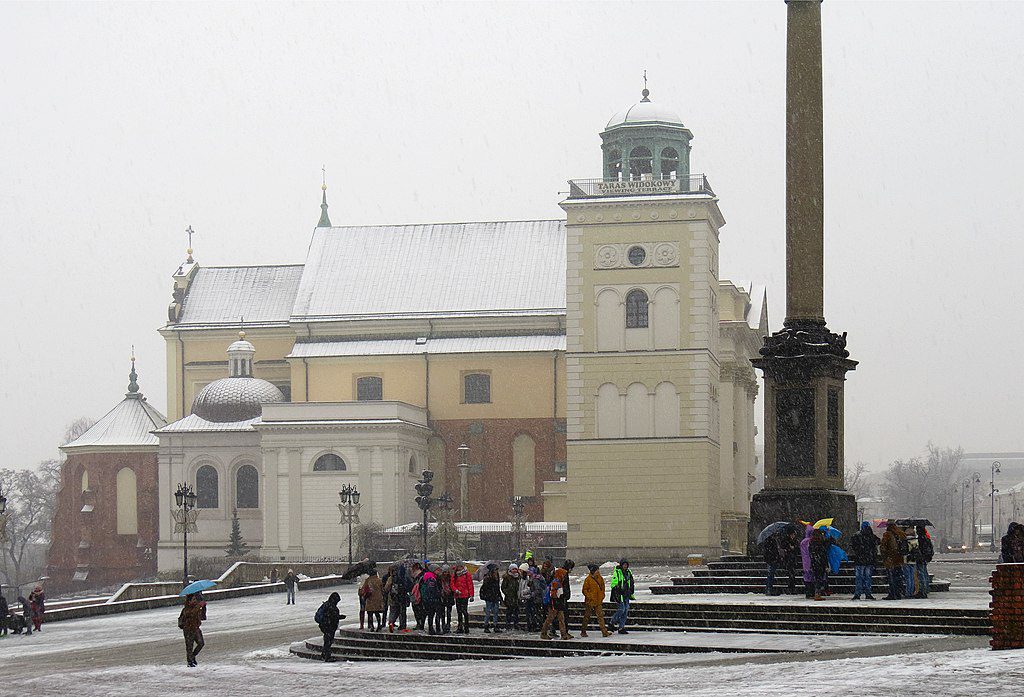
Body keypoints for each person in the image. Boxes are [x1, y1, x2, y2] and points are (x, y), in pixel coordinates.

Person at [540, 563, 573, 640]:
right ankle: (543, 633)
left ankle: (563, 634)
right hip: (555, 604)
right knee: (551, 619)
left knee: (561, 619)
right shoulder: (556, 582)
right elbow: (555, 594)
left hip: (557, 603)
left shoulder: (558, 581)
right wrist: (562, 595)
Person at [850, 521, 880, 600]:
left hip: (859, 560)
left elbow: (853, 546)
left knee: (859, 577)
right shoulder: (871, 536)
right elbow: (878, 542)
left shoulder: (856, 536)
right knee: (868, 577)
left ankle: (857, 593)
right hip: (869, 560)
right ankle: (868, 593)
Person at [580, 563, 611, 638]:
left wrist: (602, 595)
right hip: (590, 601)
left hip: (598, 600)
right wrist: (590, 596)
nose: (598, 571)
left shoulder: (600, 578)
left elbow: (602, 587)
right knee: (587, 617)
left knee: (600, 617)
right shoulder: (588, 579)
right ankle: (583, 631)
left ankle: (604, 632)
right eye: (597, 570)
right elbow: (584, 590)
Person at [880, 520, 908, 600]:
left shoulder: (887, 534)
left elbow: (883, 547)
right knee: (898, 577)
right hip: (899, 559)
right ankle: (899, 593)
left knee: (891, 578)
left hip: (891, 560)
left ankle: (893, 594)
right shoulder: (901, 534)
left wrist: (884, 557)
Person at [178, 592, 207, 667]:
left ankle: (192, 656)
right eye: (193, 599)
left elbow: (203, 617)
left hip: (196, 628)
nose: (195, 601)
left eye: (195, 599)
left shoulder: (196, 607)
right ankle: (190, 662)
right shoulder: (186, 609)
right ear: (189, 601)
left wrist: (204, 607)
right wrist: (199, 606)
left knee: (201, 643)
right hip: (188, 629)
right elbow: (191, 614)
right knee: (189, 646)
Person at [314, 592, 343, 662]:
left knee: (327, 641)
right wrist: (339, 617)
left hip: (326, 626)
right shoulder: (331, 606)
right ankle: (327, 656)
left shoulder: (326, 605)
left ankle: (324, 654)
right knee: (328, 641)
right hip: (329, 626)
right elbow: (332, 617)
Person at [610, 558, 635, 634]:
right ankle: (611, 622)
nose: (625, 566)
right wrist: (618, 589)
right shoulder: (618, 572)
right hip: (620, 594)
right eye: (624, 564)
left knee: (626, 610)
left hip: (626, 594)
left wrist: (631, 589)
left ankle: (621, 627)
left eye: (626, 565)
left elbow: (631, 581)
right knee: (622, 609)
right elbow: (614, 583)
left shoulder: (628, 572)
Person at [909, 524, 934, 599]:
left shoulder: (920, 539)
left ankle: (922, 591)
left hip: (920, 558)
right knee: (924, 574)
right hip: (925, 558)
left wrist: (915, 550)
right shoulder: (926, 538)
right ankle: (925, 589)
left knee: (921, 575)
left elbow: (920, 549)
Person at [385, 563, 410, 633]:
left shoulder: (392, 577)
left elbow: (387, 587)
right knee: (402, 612)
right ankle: (402, 625)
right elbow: (409, 586)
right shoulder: (405, 577)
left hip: (394, 596)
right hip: (403, 596)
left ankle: (391, 622)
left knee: (393, 611)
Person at [452, 562, 474, 633]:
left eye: (460, 567)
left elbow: (470, 585)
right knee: (459, 612)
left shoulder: (467, 575)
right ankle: (460, 627)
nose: (459, 568)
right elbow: (452, 584)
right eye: (458, 567)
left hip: (464, 595)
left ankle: (466, 627)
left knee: (464, 611)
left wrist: (471, 595)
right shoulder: (455, 575)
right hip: (458, 595)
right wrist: (455, 590)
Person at [480, 564, 503, 634]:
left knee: (495, 612)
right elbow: (485, 588)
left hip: (495, 597)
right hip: (490, 597)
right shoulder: (488, 577)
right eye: (495, 569)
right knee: (488, 612)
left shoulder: (496, 577)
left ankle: (495, 625)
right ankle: (486, 625)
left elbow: (497, 588)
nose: (496, 571)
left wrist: (500, 596)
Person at [763, 529, 783, 596]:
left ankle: (769, 588)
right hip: (772, 560)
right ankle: (769, 589)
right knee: (770, 575)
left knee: (771, 575)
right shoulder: (770, 541)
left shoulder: (771, 541)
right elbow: (770, 551)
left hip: (772, 559)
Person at [501, 564, 521, 631]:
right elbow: (503, 587)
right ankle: (508, 624)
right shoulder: (507, 578)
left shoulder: (518, 577)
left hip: (516, 598)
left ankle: (516, 624)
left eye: (515, 569)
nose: (514, 570)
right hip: (509, 598)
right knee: (509, 612)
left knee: (516, 612)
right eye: (513, 569)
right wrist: (508, 593)